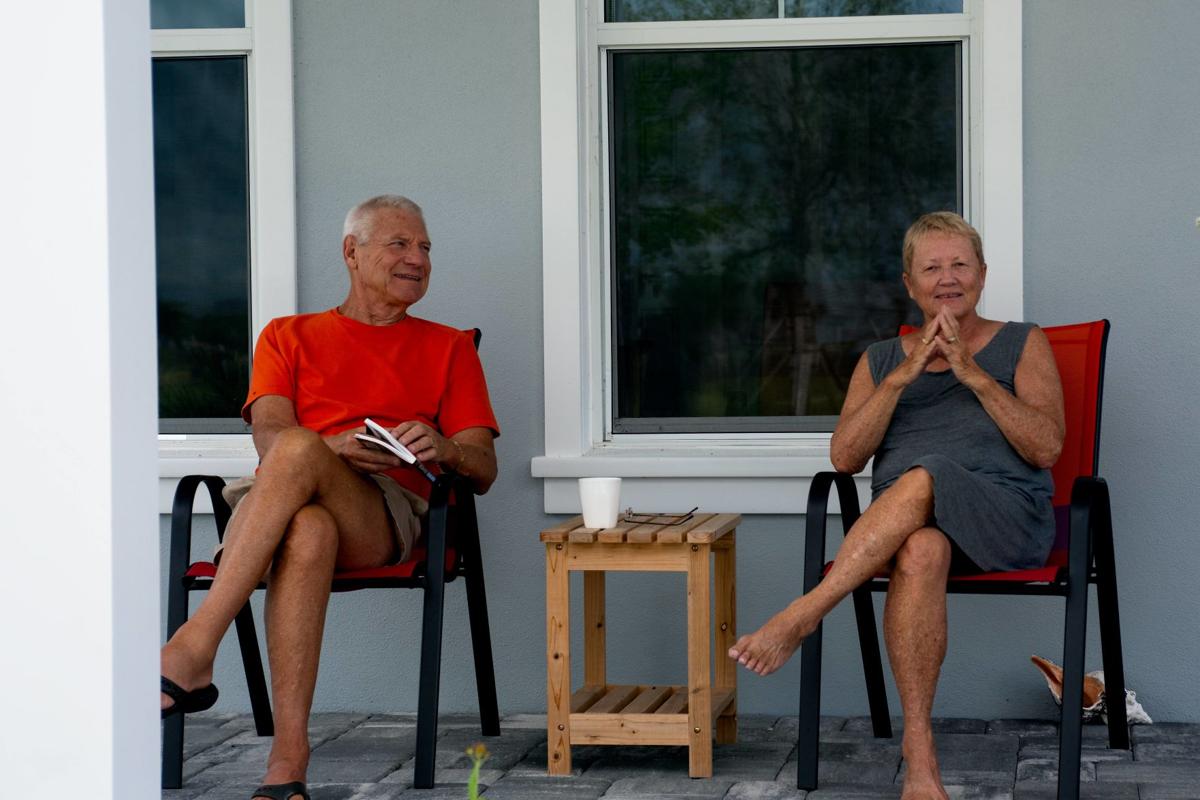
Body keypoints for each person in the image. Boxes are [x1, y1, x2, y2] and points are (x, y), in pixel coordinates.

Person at [159, 195, 500, 800]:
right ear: (352, 251)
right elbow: (267, 435)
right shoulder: (286, 337)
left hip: (385, 512)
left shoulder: (448, 347)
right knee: (306, 516)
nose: (417, 258)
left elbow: (482, 467)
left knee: (296, 449)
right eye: (399, 244)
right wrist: (331, 449)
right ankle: (287, 763)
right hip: (288, 507)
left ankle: (193, 648)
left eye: (424, 248)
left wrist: (445, 448)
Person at [728, 211, 1064, 800]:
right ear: (910, 284)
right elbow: (843, 458)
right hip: (909, 526)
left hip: (1006, 516)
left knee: (924, 474)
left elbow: (1047, 448)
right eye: (931, 267)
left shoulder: (1022, 341)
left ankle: (805, 614)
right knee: (919, 548)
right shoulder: (881, 359)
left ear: (982, 275)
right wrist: (901, 378)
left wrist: (974, 376)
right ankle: (920, 755)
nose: (947, 278)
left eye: (960, 264)